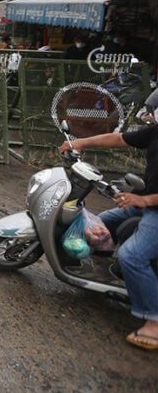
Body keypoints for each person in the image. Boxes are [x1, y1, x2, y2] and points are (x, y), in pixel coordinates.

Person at [59, 121, 158, 350]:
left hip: (152, 206)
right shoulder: (156, 131)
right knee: (98, 223)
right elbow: (120, 138)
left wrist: (144, 200)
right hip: (144, 203)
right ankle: (109, 272)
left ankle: (153, 320)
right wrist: (80, 142)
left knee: (132, 256)